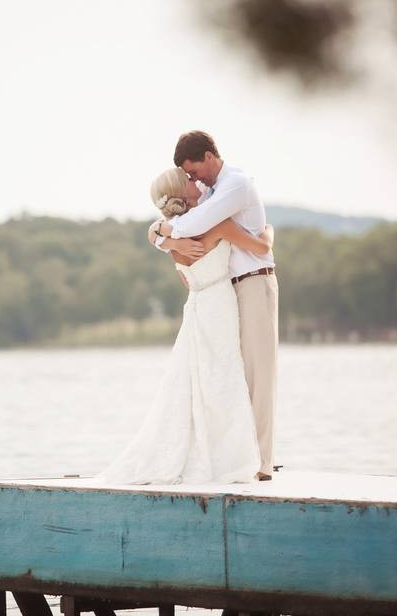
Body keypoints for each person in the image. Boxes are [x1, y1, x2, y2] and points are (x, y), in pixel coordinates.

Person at [95, 167, 272, 484]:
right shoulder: (216, 224)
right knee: (223, 377)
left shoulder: (173, 234)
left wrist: (164, 240)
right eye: (189, 180)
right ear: (183, 191)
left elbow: (162, 243)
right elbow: (260, 248)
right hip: (219, 302)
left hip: (197, 305)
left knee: (196, 379)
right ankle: (230, 457)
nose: (196, 182)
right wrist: (269, 231)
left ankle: (206, 452)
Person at [151, 131, 279, 482]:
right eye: (188, 178)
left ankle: (262, 463)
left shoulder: (233, 185)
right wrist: (158, 233)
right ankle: (237, 458)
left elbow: (194, 224)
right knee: (231, 378)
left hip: (252, 281)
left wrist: (163, 232)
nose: (195, 181)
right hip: (223, 293)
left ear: (209, 156)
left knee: (258, 373)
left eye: (194, 172)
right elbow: (185, 224)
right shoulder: (209, 191)